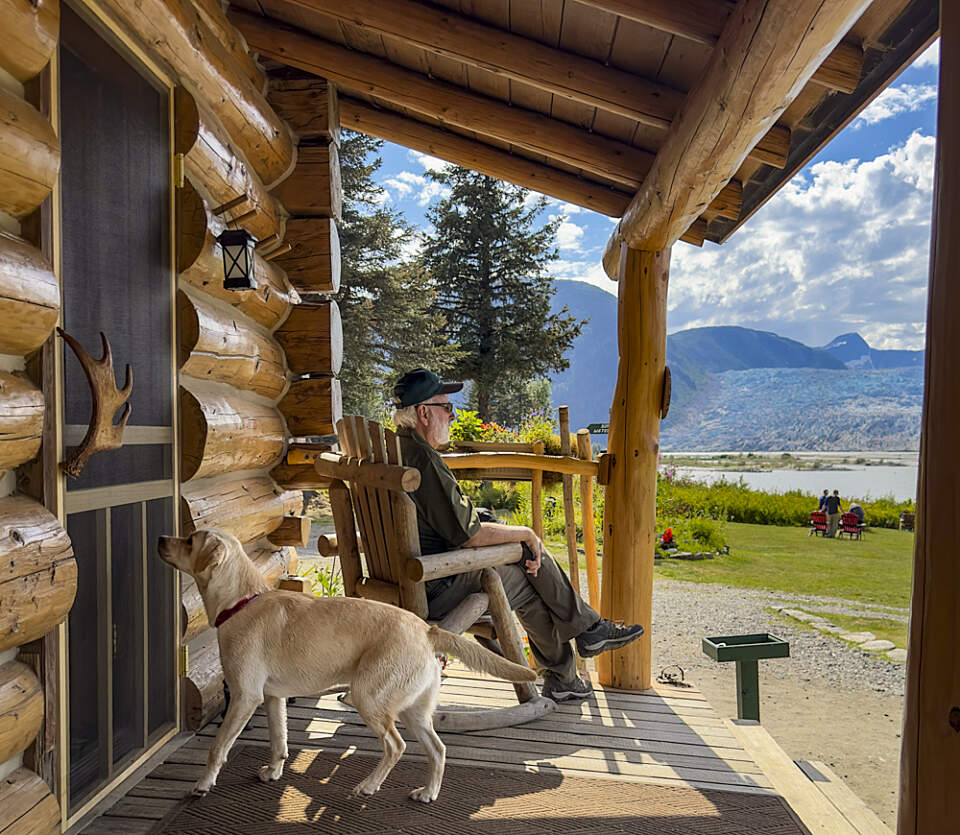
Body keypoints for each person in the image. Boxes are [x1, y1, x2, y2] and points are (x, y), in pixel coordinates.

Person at [391, 368, 645, 703]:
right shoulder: (422, 458)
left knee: (526, 557)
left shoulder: (397, 448)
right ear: (423, 413)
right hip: (434, 585)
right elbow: (469, 536)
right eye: (447, 408)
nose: (453, 416)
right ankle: (575, 652)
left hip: (405, 576)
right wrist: (525, 533)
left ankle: (579, 647)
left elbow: (446, 519)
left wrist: (506, 531)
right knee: (529, 574)